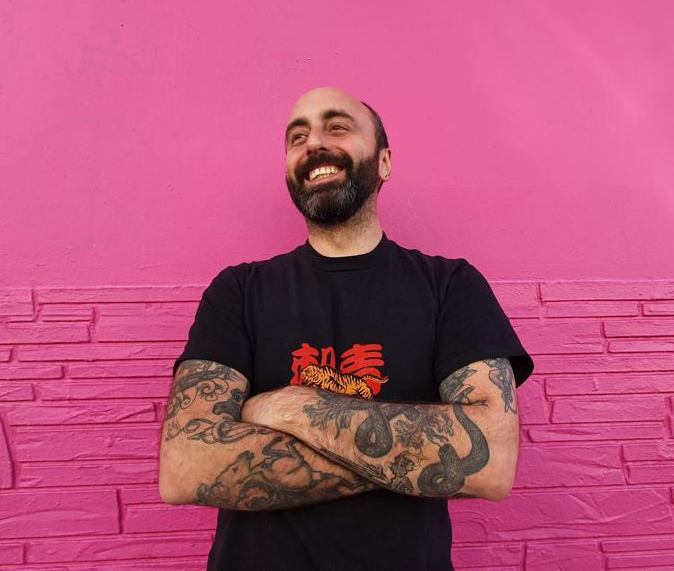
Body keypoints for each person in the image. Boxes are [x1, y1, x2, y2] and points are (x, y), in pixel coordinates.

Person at [158, 87, 534, 571]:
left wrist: (293, 408)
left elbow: (491, 462)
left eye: (337, 127)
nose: (314, 143)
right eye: (297, 137)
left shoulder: (450, 286)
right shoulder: (239, 291)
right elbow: (187, 467)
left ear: (384, 161)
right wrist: (415, 455)